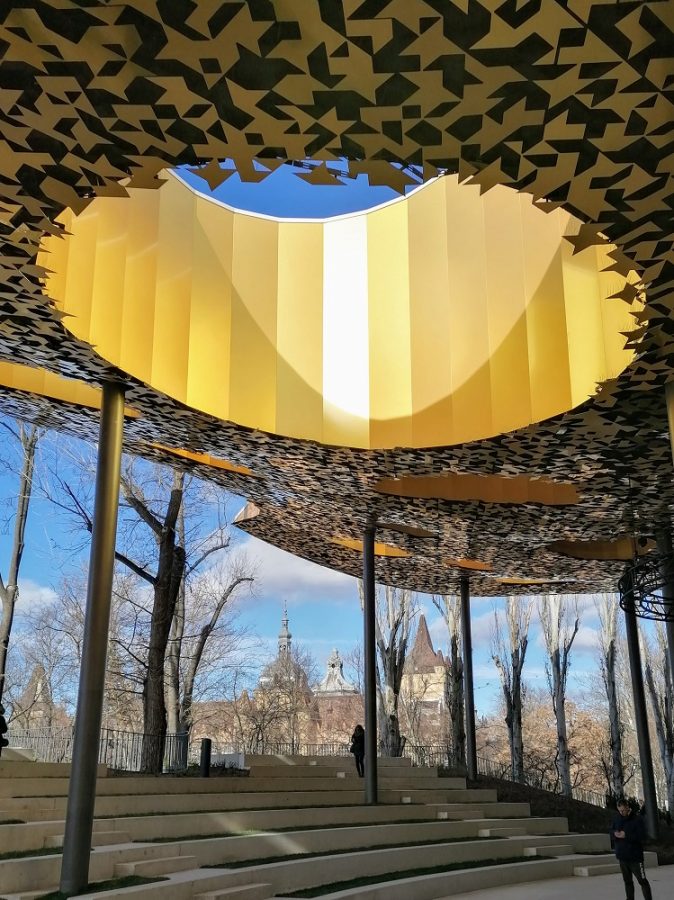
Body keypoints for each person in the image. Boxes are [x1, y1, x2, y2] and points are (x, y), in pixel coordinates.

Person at [611, 798, 653, 900]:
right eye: (620, 810)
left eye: (623, 810)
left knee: (642, 881)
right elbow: (611, 831)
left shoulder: (637, 819)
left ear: (627, 807)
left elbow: (642, 836)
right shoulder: (617, 819)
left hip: (635, 857)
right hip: (622, 856)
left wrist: (627, 835)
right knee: (627, 882)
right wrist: (615, 834)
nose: (622, 812)